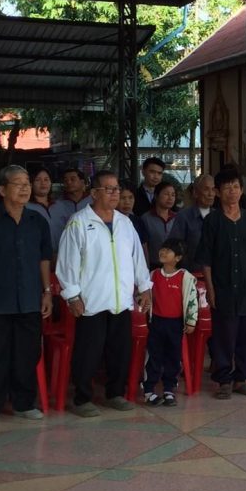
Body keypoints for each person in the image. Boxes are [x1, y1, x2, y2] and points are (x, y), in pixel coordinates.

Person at [56, 171, 152, 417]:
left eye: (116, 189)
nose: (114, 194)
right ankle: (82, 399)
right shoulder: (79, 222)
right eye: (108, 189)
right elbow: (67, 262)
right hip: (91, 300)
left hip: (121, 299)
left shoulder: (125, 223)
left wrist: (144, 286)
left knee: (120, 350)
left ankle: (115, 393)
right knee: (88, 352)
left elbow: (137, 258)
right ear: (94, 193)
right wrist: (72, 295)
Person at [0, 166, 53, 426]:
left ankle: (24, 403)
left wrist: (47, 292)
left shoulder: (37, 221)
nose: (25, 188)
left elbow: (44, 260)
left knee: (27, 354)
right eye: (18, 183)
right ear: (3, 190)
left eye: (27, 182)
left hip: (29, 300)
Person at [195, 167, 246, 399]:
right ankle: (224, 380)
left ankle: (242, 379)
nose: (232, 192)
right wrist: (210, 288)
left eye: (236, 187)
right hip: (223, 287)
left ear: (241, 190)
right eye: (227, 188)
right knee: (224, 336)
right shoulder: (212, 221)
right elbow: (206, 259)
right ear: (218, 192)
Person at [142, 237, 199, 407]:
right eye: (163, 248)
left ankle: (169, 389)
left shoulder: (185, 277)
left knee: (173, 357)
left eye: (168, 250)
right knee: (154, 356)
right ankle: (149, 390)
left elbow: (192, 300)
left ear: (178, 258)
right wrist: (142, 301)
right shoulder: (153, 275)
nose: (163, 252)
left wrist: (191, 321)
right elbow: (144, 295)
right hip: (156, 323)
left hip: (175, 324)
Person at [168, 173, 215, 271]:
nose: (211, 194)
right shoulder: (184, 216)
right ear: (195, 193)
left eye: (213, 189)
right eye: (206, 189)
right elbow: (174, 248)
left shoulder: (219, 216)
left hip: (216, 274)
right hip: (191, 274)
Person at [48, 168, 91, 248]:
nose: (68, 182)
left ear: (82, 182)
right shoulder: (56, 205)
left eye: (72, 179)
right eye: (65, 180)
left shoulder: (92, 201)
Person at [140, 180, 177, 268]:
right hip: (153, 266)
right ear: (156, 196)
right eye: (166, 194)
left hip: (175, 267)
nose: (170, 198)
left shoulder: (177, 218)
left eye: (173, 195)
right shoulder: (146, 218)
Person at [24, 166, 55, 237]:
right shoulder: (25, 207)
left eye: (46, 179)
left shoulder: (61, 205)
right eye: (38, 180)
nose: (43, 183)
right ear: (31, 184)